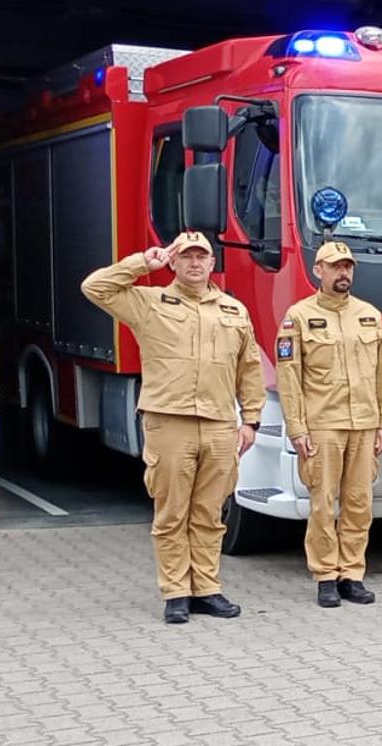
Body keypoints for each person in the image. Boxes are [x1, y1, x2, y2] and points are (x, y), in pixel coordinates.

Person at [82, 232, 264, 624]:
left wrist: (251, 420)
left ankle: (207, 589)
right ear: (174, 262)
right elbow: (94, 287)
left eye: (202, 257)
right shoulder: (149, 304)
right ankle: (176, 592)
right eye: (186, 257)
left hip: (218, 424)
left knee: (210, 513)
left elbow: (249, 368)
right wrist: (143, 263)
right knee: (171, 513)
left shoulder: (233, 310)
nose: (195, 263)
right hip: (170, 422)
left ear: (213, 263)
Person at [276, 241, 382, 608]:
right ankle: (326, 575)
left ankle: (352, 574)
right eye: (335, 267)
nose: (344, 273)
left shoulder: (369, 315)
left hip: (363, 424)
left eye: (348, 267)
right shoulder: (298, 316)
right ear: (318, 270)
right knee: (323, 504)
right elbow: (289, 377)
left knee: (359, 503)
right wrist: (297, 428)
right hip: (323, 424)